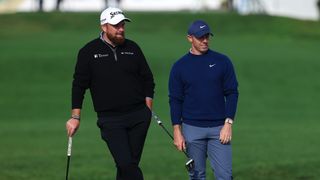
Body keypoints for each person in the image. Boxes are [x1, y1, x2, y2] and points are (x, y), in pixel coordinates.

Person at [65, 7, 155, 180]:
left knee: (128, 166)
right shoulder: (88, 52)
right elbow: (79, 86)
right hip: (111, 120)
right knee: (125, 164)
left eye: (122, 24)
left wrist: (147, 108)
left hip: (139, 117)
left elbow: (148, 79)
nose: (121, 29)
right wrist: (75, 117)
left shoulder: (133, 48)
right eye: (116, 25)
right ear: (104, 27)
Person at [169, 20, 239, 180]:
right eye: (200, 37)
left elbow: (232, 93)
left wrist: (228, 123)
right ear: (190, 38)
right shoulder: (179, 66)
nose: (205, 40)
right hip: (191, 129)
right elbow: (175, 100)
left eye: (207, 36)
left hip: (219, 129)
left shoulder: (223, 62)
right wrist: (177, 131)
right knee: (197, 175)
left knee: (225, 176)